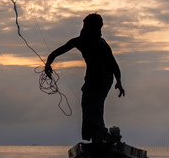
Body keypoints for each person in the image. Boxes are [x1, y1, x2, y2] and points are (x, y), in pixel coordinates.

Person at [44, 13, 124, 143]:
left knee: (95, 107)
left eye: (99, 28)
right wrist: (48, 64)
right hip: (91, 79)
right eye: (96, 28)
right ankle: (100, 138)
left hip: (104, 79)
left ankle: (100, 139)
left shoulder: (102, 45)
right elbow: (56, 52)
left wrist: (119, 82)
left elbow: (114, 66)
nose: (99, 31)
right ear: (87, 27)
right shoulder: (80, 41)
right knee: (87, 105)